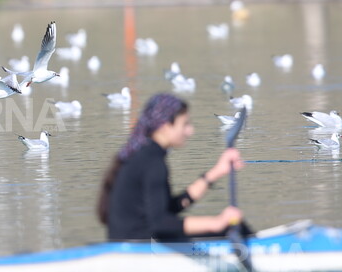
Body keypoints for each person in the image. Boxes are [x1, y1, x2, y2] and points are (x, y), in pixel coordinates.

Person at [98, 93, 249, 242]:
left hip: (133, 240)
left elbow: (168, 208)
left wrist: (216, 172)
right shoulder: (152, 162)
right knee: (236, 228)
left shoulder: (145, 155)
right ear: (165, 126)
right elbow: (160, 223)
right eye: (185, 124)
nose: (190, 131)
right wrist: (216, 223)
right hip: (137, 246)